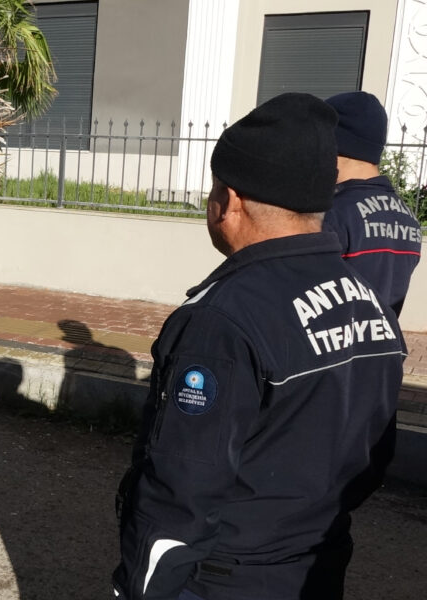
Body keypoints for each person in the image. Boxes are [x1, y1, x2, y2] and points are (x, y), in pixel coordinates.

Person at [113, 93, 406, 600]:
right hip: (319, 563)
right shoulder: (369, 302)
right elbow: (374, 452)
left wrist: (140, 588)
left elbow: (181, 490)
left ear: (231, 200)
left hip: (225, 577)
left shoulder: (220, 320)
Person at [322, 91, 421, 317]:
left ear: (334, 145)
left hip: (334, 338)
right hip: (386, 338)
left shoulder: (334, 214)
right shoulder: (407, 217)